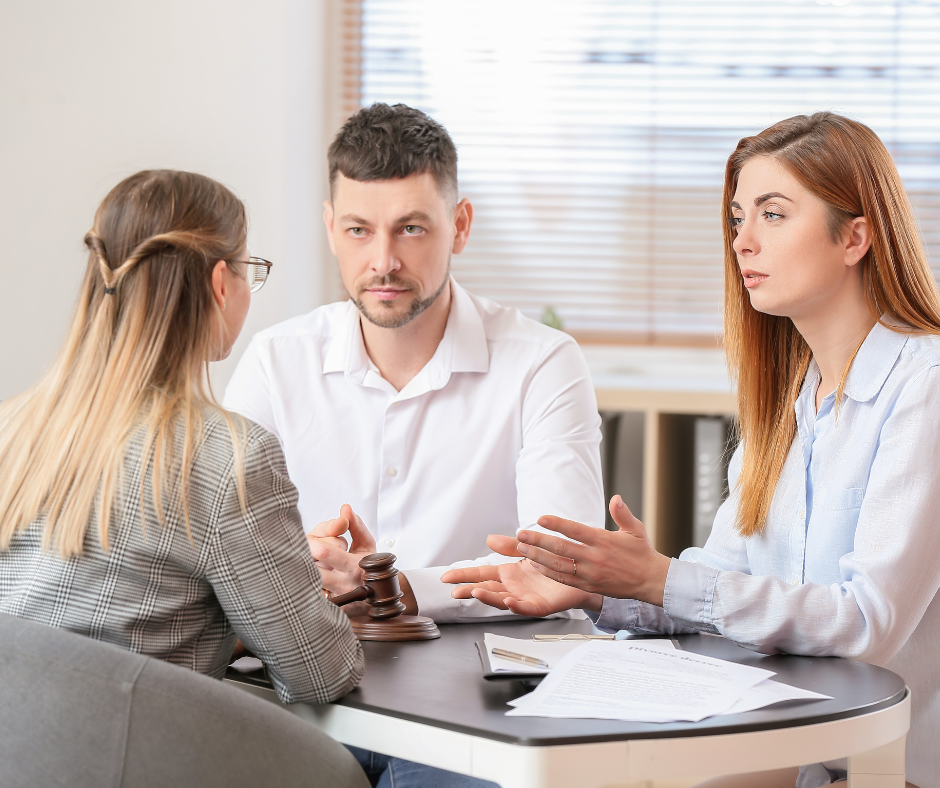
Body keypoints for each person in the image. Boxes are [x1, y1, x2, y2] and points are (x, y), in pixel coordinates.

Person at [445, 112, 940, 788]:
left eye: (772, 214)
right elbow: (721, 578)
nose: (743, 242)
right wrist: (596, 590)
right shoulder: (789, 404)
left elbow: (865, 624)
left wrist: (658, 578)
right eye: (738, 219)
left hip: (881, 766)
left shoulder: (925, 387)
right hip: (785, 741)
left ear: (855, 236)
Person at [222, 102, 605, 788]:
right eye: (359, 230)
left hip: (483, 706)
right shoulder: (276, 361)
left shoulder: (541, 363)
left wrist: (387, 587)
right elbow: (224, 553)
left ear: (459, 227)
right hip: (308, 695)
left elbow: (559, 572)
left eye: (411, 229)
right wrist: (305, 565)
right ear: (330, 229)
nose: (384, 261)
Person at [0, 170, 364, 713]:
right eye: (249, 271)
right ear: (221, 283)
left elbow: (102, 612)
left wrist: (250, 600)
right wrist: (303, 598)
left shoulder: (15, 430)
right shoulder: (230, 457)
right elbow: (321, 674)